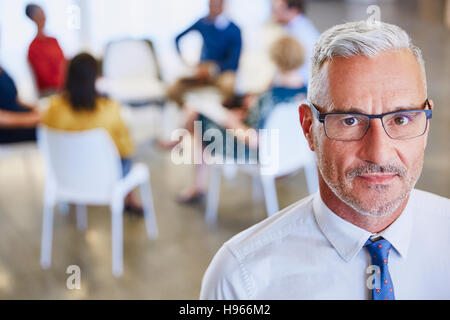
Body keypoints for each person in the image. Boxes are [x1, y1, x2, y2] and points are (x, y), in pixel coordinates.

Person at [200, 21, 450, 300]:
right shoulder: (241, 282)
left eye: (401, 119)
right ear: (309, 128)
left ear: (427, 123)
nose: (379, 154)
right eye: (350, 120)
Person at [174, 36, 307, 203]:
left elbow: (253, 140)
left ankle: (197, 185)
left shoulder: (270, 98)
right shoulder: (306, 93)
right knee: (204, 114)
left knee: (197, 117)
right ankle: (185, 153)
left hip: (258, 152)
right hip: (292, 151)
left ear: (275, 59)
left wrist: (231, 121)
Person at [42, 53, 142, 215]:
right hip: (104, 179)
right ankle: (129, 199)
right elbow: (126, 149)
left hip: (66, 178)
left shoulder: (53, 109)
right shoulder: (109, 109)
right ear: (96, 78)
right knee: (127, 158)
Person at [167, 0, 242, 107]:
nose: (213, 6)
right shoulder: (202, 23)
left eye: (217, 3)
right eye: (211, 3)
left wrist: (213, 69)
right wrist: (187, 63)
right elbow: (177, 38)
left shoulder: (234, 29)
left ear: (223, 5)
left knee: (229, 85)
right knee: (174, 88)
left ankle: (221, 119)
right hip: (202, 72)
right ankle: (191, 116)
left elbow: (234, 62)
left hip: (222, 72)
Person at [272, 0, 319, 83]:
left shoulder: (305, 34)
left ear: (294, 10)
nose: (275, 12)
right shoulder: (289, 28)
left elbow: (313, 68)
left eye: (280, 8)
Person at [25, 3, 66, 96]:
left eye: (43, 12)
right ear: (33, 18)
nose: (43, 16)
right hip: (50, 92)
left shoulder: (53, 40)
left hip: (64, 87)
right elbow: (45, 78)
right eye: (40, 13)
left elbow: (65, 62)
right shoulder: (33, 48)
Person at [0, 66, 41, 143]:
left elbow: (15, 99)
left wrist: (36, 107)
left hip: (19, 115)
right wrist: (33, 118)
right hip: (8, 129)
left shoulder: (2, 68)